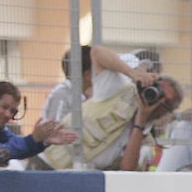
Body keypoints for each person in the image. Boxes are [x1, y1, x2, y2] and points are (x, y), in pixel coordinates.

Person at [35, 44, 180, 170]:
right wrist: (135, 74)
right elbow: (97, 52)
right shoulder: (117, 89)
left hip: (79, 177)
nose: (157, 101)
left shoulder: (145, 130)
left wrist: (141, 121)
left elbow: (127, 167)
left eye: (165, 103)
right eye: (158, 92)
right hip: (48, 164)